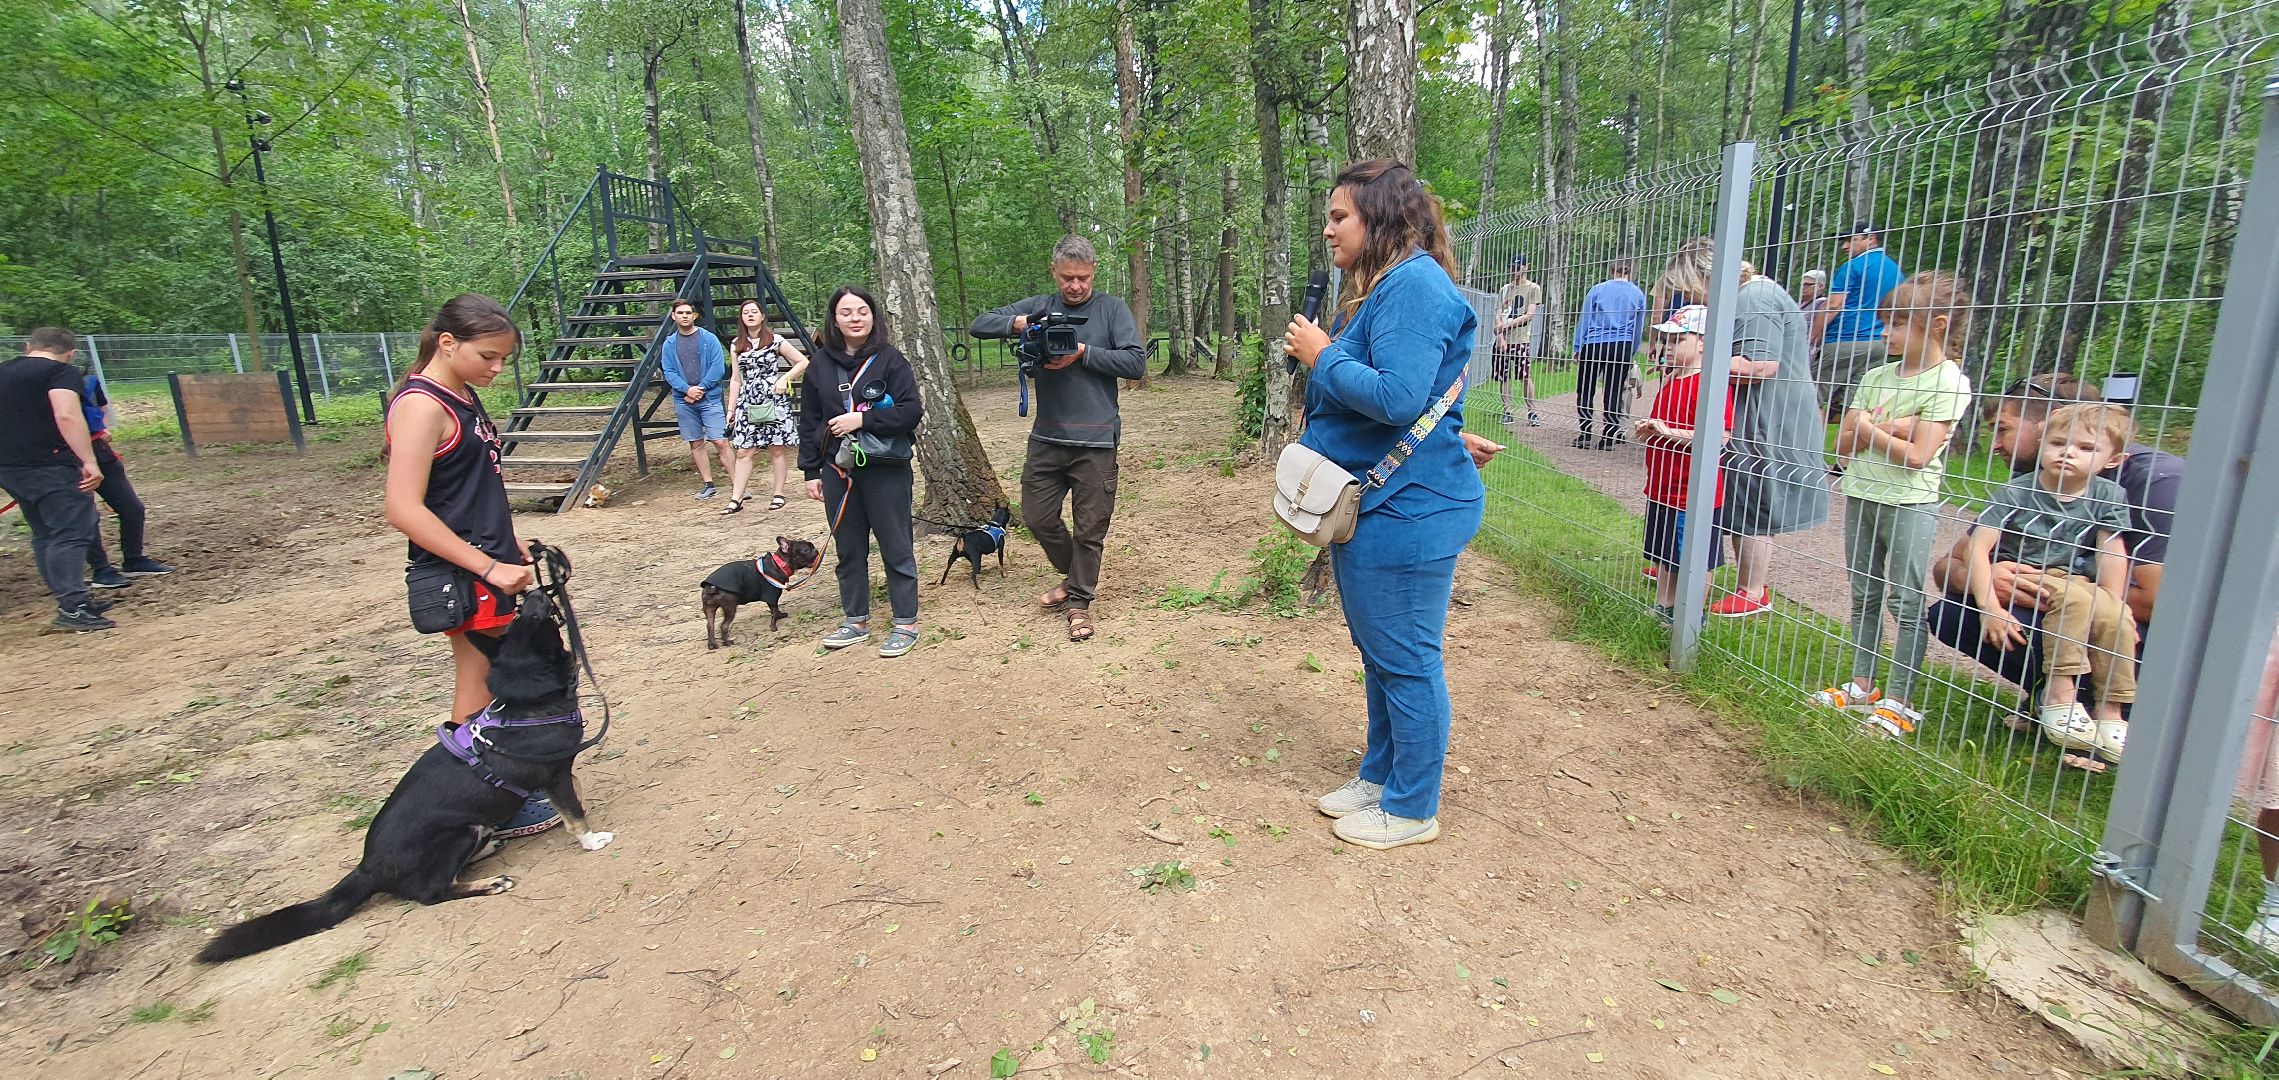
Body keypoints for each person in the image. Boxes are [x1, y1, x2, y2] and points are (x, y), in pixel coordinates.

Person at [1281, 159, 1485, 851]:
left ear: (1380, 218)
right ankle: (1380, 776)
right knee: (1381, 654)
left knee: (1406, 660)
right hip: (1384, 501)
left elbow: (1396, 396)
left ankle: (1411, 806)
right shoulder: (1393, 286)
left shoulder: (1413, 286)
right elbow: (1418, 394)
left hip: (1410, 510)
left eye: (1339, 217)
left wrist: (1321, 355)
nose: (1329, 230)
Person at [381, 294, 558, 839]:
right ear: (447, 343)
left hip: (488, 561)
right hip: (465, 574)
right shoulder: (422, 406)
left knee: (492, 679)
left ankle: (493, 793)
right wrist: (487, 566)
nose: (498, 368)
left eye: (504, 358)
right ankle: (480, 801)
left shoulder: (461, 395)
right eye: (488, 356)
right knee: (482, 685)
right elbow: (402, 508)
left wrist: (508, 540)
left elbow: (466, 491)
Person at [1923, 374, 2183, 692]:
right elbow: (1947, 566)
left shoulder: (2157, 483)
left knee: (2099, 619)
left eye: (2003, 429)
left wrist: (2062, 591)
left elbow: (2159, 605)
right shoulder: (2039, 478)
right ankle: (2053, 695)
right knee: (1953, 613)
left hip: (2150, 635)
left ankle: (2110, 703)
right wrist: (1987, 580)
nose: (1994, 446)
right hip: (2070, 598)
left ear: (2049, 422)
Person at [1812, 272, 1974, 739]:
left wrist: (1869, 429)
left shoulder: (1949, 382)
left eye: (1899, 323)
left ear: (1937, 324)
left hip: (1908, 502)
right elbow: (1841, 446)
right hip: (1861, 494)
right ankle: (1863, 683)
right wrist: (1892, 429)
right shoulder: (1876, 376)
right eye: (1886, 322)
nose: (1887, 333)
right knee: (1864, 593)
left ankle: (1900, 699)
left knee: (1905, 600)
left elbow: (1918, 456)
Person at [968, 236, 1148, 642]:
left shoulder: (1111, 310)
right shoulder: (1040, 307)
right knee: (1037, 516)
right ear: (1054, 272)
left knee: (1090, 528)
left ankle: (1079, 602)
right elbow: (980, 324)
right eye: (1067, 278)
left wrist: (1083, 352)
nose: (1075, 286)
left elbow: (1135, 363)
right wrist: (1019, 324)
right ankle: (1075, 575)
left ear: (1094, 272)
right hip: (1047, 437)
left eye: (1083, 278)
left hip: (1096, 440)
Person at [1653, 238, 1831, 619]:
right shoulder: (1743, 297)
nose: (1692, 297)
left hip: (1768, 415)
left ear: (1707, 276)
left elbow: (1760, 365)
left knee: (1754, 492)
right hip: (1750, 412)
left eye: (1691, 288)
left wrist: (1699, 362)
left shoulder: (1754, 299)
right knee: (1739, 489)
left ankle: (1753, 588)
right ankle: (1685, 569)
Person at [1962, 403, 2140, 762]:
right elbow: (1976, 548)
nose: (2068, 453)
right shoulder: (2017, 492)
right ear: (2042, 444)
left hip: (2073, 577)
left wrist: (2115, 603)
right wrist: (1990, 608)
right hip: (2026, 571)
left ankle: (2111, 711)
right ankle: (2059, 694)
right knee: (2077, 601)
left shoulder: (2108, 495)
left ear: (2113, 460)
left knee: (2115, 615)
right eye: (2058, 443)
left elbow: (2111, 551)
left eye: (2086, 448)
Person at [799, 286, 926, 658]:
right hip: (837, 469)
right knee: (849, 548)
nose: (855, 318)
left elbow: (910, 411)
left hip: (886, 468)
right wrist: (810, 471)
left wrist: (862, 420)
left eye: (862, 311)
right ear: (834, 320)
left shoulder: (891, 360)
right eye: (846, 312)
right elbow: (809, 421)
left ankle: (905, 623)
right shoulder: (820, 364)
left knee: (896, 546)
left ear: (873, 316)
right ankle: (855, 620)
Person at [0, 327, 111, 632]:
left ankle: (71, 598)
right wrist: (89, 461)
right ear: (70, 354)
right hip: (50, 464)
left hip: (9, 466)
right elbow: (66, 415)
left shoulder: (3, 370)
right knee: (71, 531)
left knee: (45, 532)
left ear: (28, 346)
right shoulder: (60, 372)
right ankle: (73, 608)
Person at [1632, 304, 1733, 623]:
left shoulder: (1710, 384)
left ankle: (1691, 616)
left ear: (1702, 342)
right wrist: (1651, 430)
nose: (1668, 348)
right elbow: (1665, 425)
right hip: (1662, 489)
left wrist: (1666, 431)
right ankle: (1664, 606)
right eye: (1667, 340)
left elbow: (1720, 437)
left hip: (1692, 496)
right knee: (1665, 556)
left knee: (1695, 559)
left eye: (1678, 341)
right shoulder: (1671, 379)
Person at [78, 368, 173, 590]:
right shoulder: (47, 386)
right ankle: (101, 570)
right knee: (85, 515)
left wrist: (103, 427)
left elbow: (101, 406)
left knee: (132, 508)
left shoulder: (89, 380)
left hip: (99, 450)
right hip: (68, 456)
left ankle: (134, 559)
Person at [722, 300, 810, 515]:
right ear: (741, 318)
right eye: (746, 312)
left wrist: (784, 379)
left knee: (776, 448)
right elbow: (736, 379)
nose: (750, 315)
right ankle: (736, 498)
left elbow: (802, 362)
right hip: (748, 402)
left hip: (773, 400)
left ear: (762, 316)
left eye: (754, 312)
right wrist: (731, 409)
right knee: (744, 450)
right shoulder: (736, 344)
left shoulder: (775, 340)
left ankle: (779, 494)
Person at [1816, 223, 1906, 421]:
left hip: (1845, 340)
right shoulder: (1895, 270)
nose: (1845, 246)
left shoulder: (1853, 266)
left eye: (1851, 240)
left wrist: (1812, 337)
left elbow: (1833, 305)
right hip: (1880, 343)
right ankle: (1848, 440)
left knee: (1809, 395)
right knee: (1854, 406)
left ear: (1871, 238)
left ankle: (1805, 440)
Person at [657, 299, 731, 500]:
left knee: (720, 441)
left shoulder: (709, 339)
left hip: (710, 398)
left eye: (688, 313)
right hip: (684, 401)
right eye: (680, 313)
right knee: (695, 443)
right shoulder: (669, 343)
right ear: (674, 316)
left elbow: (718, 367)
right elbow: (669, 371)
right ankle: (709, 484)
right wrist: (687, 390)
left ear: (694, 316)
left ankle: (738, 484)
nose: (685, 316)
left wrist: (701, 388)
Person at [1570, 261, 1647, 450]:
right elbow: (1638, 327)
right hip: (1621, 345)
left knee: (1586, 389)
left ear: (1612, 270)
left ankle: (1585, 433)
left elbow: (1585, 318)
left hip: (1594, 343)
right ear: (1630, 271)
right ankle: (1609, 436)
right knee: (1614, 391)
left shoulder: (1597, 290)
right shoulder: (1637, 294)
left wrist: (1578, 346)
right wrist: (1631, 350)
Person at [1492, 255, 1543, 428]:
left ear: (1525, 267)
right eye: (1512, 267)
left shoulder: (1533, 288)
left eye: (1518, 267)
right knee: (1504, 377)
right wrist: (1500, 336)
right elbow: (1498, 314)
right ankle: (1507, 411)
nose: (1515, 270)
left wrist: (1505, 325)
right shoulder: (1505, 289)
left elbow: (1529, 315)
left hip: (1521, 339)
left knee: (1525, 376)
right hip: (1503, 340)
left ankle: (1532, 412)